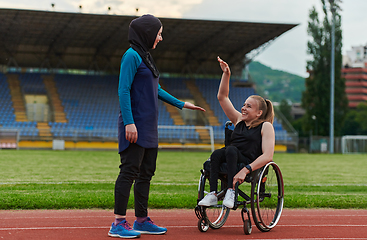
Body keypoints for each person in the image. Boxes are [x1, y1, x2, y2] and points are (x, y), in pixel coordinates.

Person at [108, 14, 205, 239]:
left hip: (149, 127)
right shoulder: (131, 56)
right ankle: (118, 223)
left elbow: (156, 90)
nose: (161, 38)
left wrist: (182, 104)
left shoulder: (146, 57)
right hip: (135, 125)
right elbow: (123, 90)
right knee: (129, 171)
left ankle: (141, 220)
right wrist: (129, 123)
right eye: (159, 33)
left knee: (146, 173)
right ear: (147, 33)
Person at [198, 56, 275, 209]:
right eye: (244, 105)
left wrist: (246, 169)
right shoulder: (238, 120)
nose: (243, 108)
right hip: (232, 157)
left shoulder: (266, 126)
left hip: (249, 162)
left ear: (259, 113)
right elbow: (222, 97)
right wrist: (226, 74)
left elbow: (268, 156)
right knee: (216, 154)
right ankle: (213, 194)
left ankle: (231, 192)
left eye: (249, 106)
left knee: (231, 150)